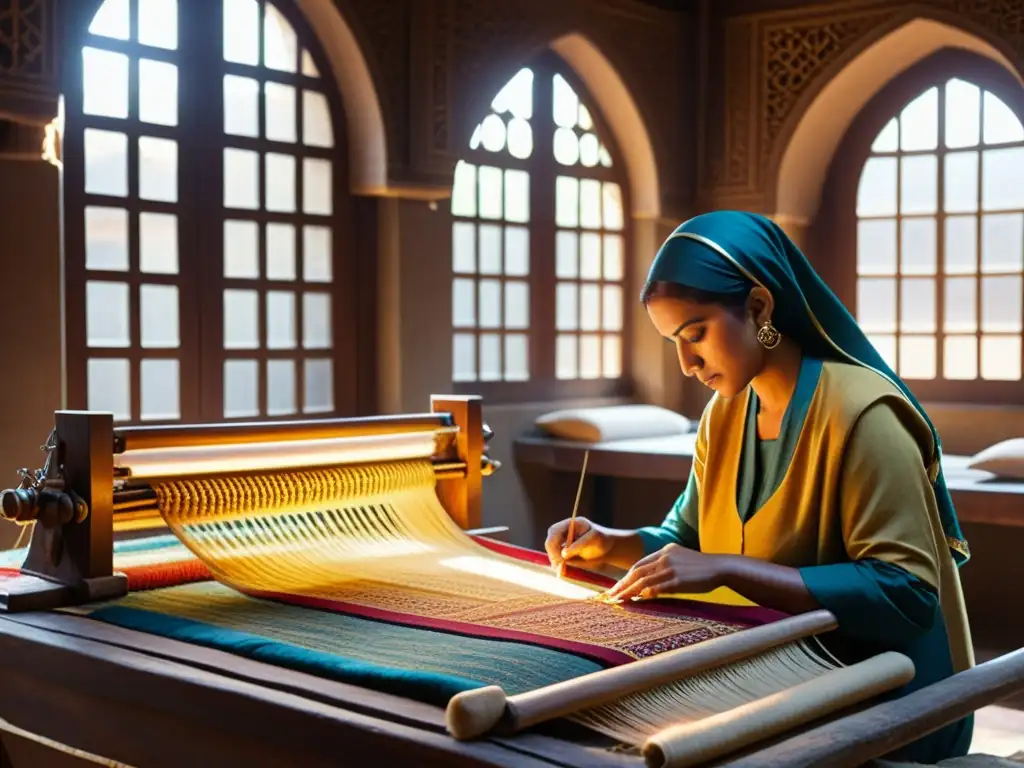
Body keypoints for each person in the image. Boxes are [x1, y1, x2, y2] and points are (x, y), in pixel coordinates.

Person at [544, 210, 974, 763]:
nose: (686, 362)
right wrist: (612, 541)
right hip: (781, 672)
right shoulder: (724, 415)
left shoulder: (864, 415)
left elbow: (905, 593)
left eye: (695, 333)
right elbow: (688, 537)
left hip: (887, 696)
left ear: (759, 307)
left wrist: (728, 569)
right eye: (675, 341)